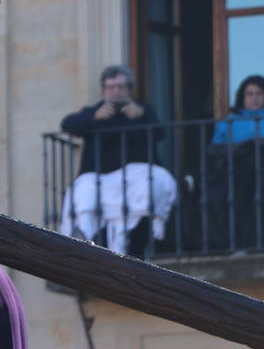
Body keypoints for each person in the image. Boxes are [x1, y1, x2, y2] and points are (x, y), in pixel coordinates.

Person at [59, 65, 176, 256]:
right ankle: (82, 241)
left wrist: (141, 116)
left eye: (121, 87)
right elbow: (67, 124)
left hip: (137, 176)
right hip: (100, 177)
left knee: (150, 187)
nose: (116, 91)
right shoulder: (95, 111)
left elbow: (159, 133)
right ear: (103, 90)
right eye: (111, 87)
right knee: (83, 193)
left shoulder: (143, 110)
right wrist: (93, 117)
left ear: (129, 88)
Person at [207, 75, 264, 250]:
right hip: (236, 178)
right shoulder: (229, 122)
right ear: (242, 97)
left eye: (259, 93)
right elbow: (216, 153)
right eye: (249, 94)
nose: (254, 98)